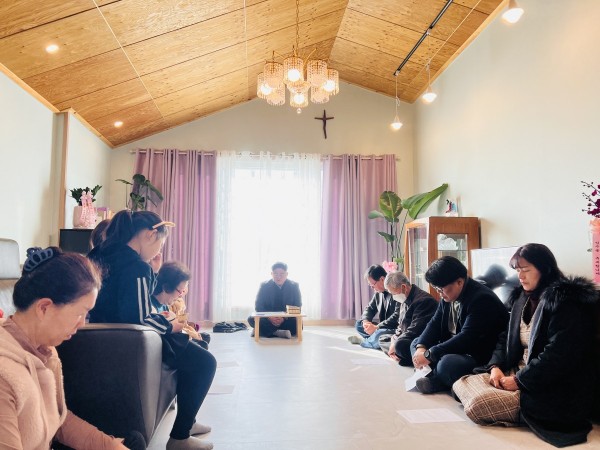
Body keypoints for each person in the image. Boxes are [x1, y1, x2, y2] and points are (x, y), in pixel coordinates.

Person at [88, 210, 216, 450]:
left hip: (100, 339)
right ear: (149, 235)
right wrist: (170, 325)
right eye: (161, 244)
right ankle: (180, 437)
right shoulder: (136, 266)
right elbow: (138, 319)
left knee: (194, 349)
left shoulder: (98, 255)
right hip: (130, 342)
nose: (159, 251)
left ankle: (188, 421)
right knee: (205, 363)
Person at [452, 244, 599, 447]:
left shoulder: (566, 301)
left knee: (477, 405)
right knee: (460, 383)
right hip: (519, 373)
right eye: (517, 270)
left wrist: (520, 381)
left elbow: (559, 355)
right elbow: (504, 338)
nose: (520, 276)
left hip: (551, 386)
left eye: (526, 270)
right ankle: (508, 401)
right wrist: (495, 367)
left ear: (544, 269)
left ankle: (518, 408)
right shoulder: (521, 298)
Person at [0, 246, 145, 450]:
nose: (82, 324)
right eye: (79, 313)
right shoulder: (5, 376)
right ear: (44, 307)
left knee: (133, 441)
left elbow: (59, 420)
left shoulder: (45, 350)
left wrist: (111, 446)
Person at [411, 256, 509, 394]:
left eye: (442, 289)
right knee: (415, 342)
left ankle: (434, 379)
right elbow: (434, 323)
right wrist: (422, 348)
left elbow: (467, 338)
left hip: (476, 354)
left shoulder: (481, 299)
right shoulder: (448, 295)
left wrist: (431, 354)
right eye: (437, 289)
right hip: (456, 347)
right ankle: (434, 376)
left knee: (447, 364)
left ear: (459, 282)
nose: (440, 294)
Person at [379, 271, 437, 365]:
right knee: (382, 338)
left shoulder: (423, 300)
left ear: (403, 287)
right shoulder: (404, 299)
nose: (393, 297)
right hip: (407, 336)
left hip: (420, 340)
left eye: (394, 293)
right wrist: (394, 339)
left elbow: (415, 330)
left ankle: (401, 356)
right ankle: (398, 355)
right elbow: (400, 326)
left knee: (400, 345)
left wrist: (396, 342)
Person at [152, 261, 209, 350]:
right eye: (180, 291)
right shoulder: (151, 305)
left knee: (205, 343)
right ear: (167, 287)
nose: (180, 295)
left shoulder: (164, 305)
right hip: (169, 347)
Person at [347, 264, 399, 349]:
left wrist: (377, 327)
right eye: (370, 285)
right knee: (359, 324)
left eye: (373, 284)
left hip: (393, 328)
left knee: (380, 333)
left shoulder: (396, 290)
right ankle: (374, 340)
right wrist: (366, 321)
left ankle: (364, 341)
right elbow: (370, 308)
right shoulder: (378, 293)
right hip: (382, 327)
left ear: (382, 279)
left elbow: (397, 316)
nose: (372, 287)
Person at [247, 261, 302, 339]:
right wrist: (269, 317)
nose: (278, 277)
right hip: (268, 318)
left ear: (286, 274)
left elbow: (298, 306)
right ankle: (278, 332)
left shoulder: (294, 286)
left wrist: (283, 318)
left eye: (281, 274)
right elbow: (258, 305)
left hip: (285, 319)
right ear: (271, 274)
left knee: (297, 323)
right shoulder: (264, 285)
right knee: (251, 319)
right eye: (275, 274)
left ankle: (261, 331)